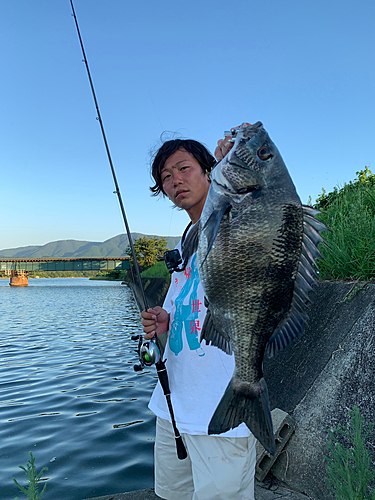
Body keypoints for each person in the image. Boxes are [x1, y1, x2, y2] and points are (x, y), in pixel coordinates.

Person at [141, 127, 256, 500]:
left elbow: (265, 213)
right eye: (166, 178)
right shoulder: (185, 242)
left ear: (209, 171)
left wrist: (239, 159)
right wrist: (165, 324)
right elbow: (184, 312)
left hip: (223, 410)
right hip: (173, 406)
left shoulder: (236, 219)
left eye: (183, 168)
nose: (175, 181)